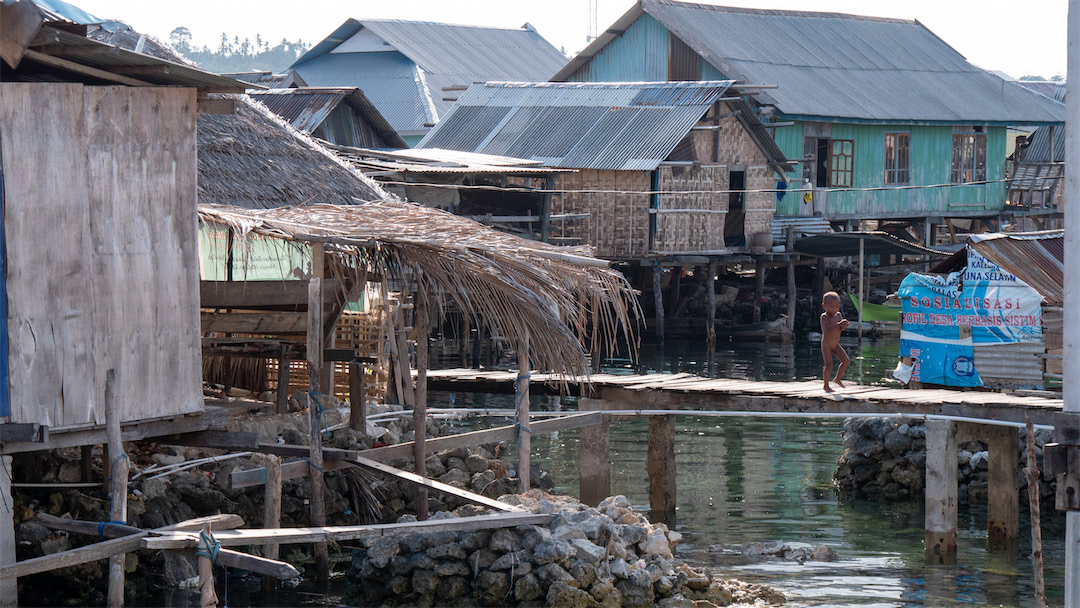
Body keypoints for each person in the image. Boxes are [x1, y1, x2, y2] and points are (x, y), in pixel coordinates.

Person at [820, 291, 850, 392]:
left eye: (837, 306)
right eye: (831, 307)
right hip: (827, 345)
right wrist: (838, 325)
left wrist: (844, 325)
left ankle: (837, 378)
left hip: (835, 345)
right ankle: (826, 385)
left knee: (845, 360)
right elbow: (827, 328)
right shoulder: (824, 317)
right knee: (829, 364)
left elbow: (841, 329)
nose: (834, 309)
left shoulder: (838, 315)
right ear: (824, 306)